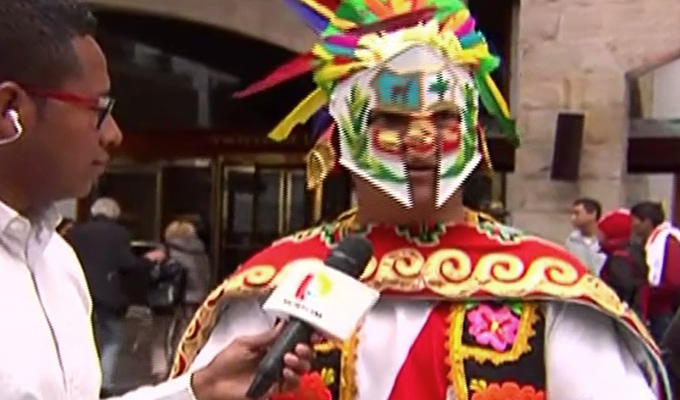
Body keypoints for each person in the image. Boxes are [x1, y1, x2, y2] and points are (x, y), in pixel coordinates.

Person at [169, 1, 670, 399]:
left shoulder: (545, 288)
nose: (423, 140)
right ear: (339, 139)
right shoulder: (279, 283)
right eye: (392, 120)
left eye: (445, 118)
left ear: (474, 131)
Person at [0, 1, 313, 399]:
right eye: (98, 109)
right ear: (10, 109)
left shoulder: (55, 261)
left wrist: (201, 389)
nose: (113, 135)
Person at [66, 197, 157, 392]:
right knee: (112, 339)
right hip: (107, 293)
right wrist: (147, 261)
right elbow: (126, 263)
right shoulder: (119, 233)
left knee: (84, 338)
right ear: (115, 214)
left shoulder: (76, 232)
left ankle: (82, 383)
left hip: (79, 291)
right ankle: (103, 385)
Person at [150, 219, 212, 382]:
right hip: (194, 299)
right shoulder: (201, 252)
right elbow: (205, 277)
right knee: (184, 335)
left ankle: (160, 368)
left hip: (168, 298)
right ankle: (180, 366)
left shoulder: (166, 251)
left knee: (160, 334)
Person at [631, 201, 680, 342]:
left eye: (635, 220)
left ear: (647, 222)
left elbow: (673, 281)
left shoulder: (669, 242)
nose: (632, 225)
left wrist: (651, 296)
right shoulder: (647, 243)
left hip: (663, 311)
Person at [598, 209, 649, 319]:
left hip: (622, 311)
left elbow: (622, 287)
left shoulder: (620, 256)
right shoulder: (627, 251)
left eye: (601, 232)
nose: (598, 236)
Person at [565, 197, 606, 275]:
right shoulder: (571, 242)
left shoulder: (605, 241)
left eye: (577, 213)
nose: (573, 218)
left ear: (592, 214)